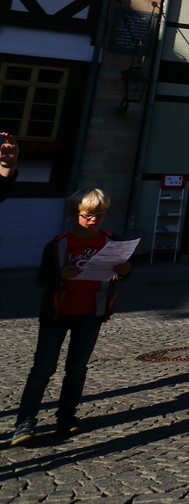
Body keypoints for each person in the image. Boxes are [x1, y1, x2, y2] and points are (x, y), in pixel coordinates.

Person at [10, 188, 133, 446]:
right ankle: (25, 423)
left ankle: (66, 420)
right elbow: (41, 279)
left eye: (100, 214)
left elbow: (121, 275)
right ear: (75, 213)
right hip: (57, 315)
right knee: (42, 370)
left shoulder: (112, 240)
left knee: (76, 370)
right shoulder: (58, 244)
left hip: (91, 314)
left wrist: (124, 271)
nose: (94, 219)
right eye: (88, 215)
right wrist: (58, 275)